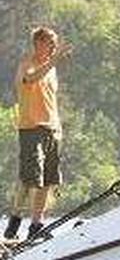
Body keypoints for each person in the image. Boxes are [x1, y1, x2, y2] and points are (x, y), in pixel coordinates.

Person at [4, 27, 69, 240]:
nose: (53, 49)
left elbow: (51, 100)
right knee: (30, 177)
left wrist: (58, 128)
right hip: (31, 128)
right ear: (39, 43)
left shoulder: (51, 69)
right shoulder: (26, 65)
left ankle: (36, 225)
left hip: (52, 129)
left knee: (48, 179)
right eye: (50, 44)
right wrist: (54, 60)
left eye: (54, 45)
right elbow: (30, 79)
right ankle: (14, 221)